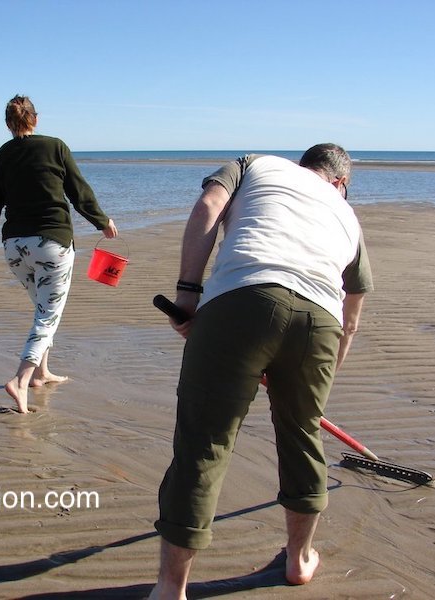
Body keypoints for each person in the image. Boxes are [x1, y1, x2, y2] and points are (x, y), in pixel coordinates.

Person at [149, 144, 373, 598]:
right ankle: (298, 559)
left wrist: (188, 293)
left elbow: (210, 204)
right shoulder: (347, 216)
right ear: (342, 183)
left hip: (241, 298)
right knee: (302, 434)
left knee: (203, 443)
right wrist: (316, 380)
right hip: (320, 323)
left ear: (301, 166)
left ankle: (171, 588)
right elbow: (351, 316)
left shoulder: (256, 164)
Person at [0, 95, 118, 414]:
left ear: (9, 124)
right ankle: (20, 380)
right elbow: (79, 191)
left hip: (15, 249)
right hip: (53, 244)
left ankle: (42, 373)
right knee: (47, 315)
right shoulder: (55, 146)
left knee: (42, 308)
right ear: (34, 119)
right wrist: (102, 221)